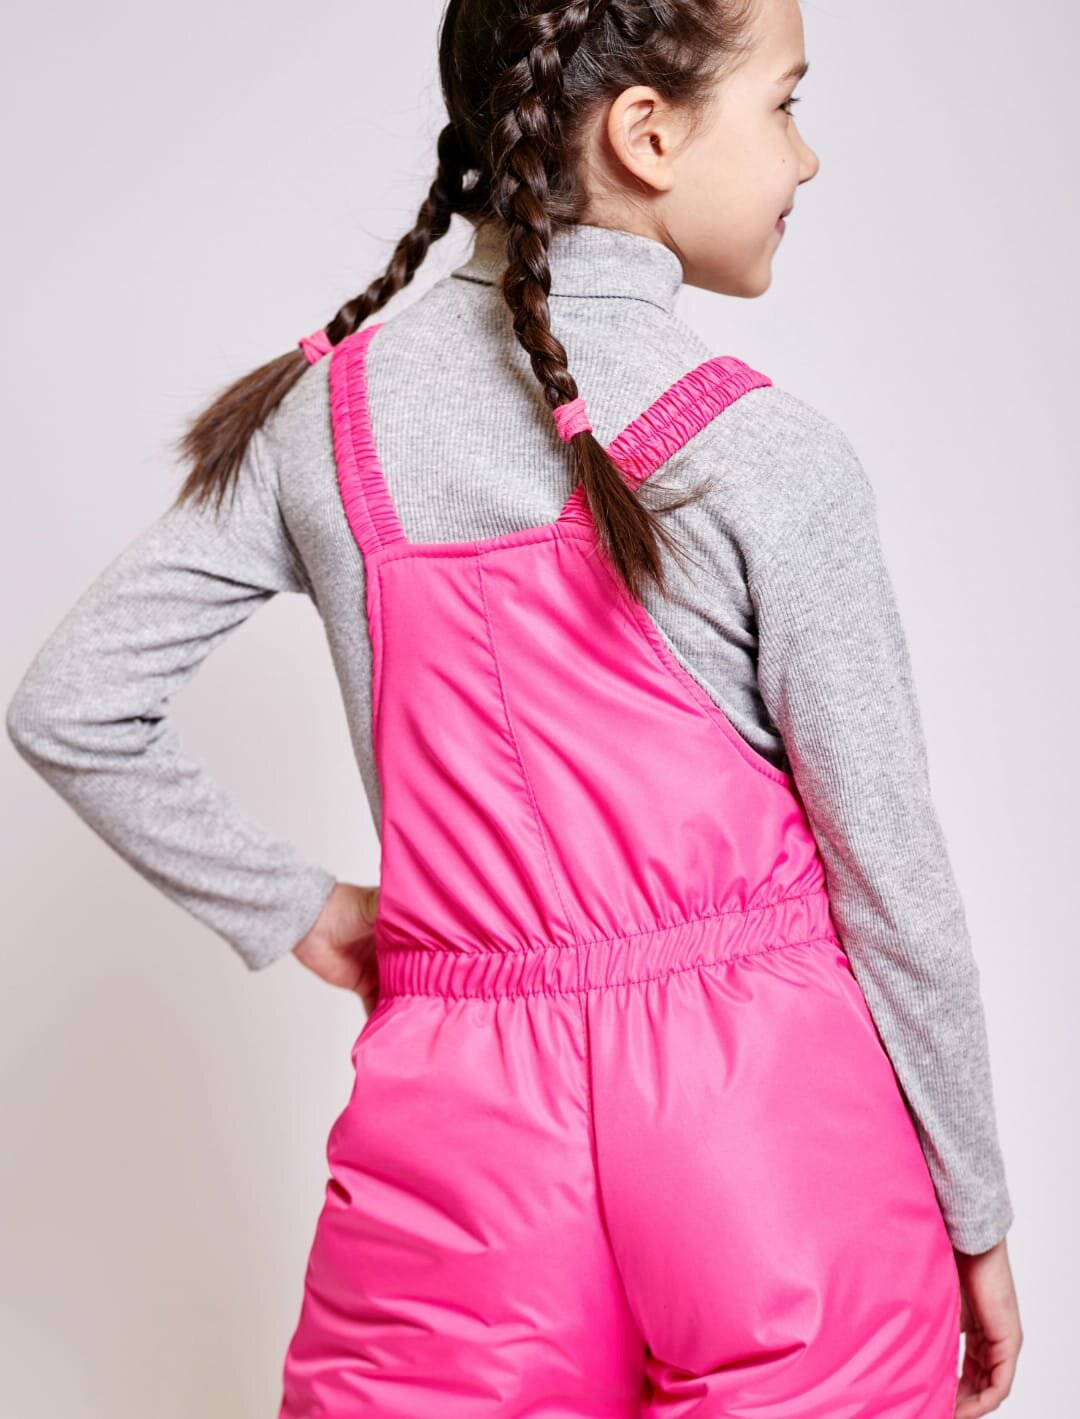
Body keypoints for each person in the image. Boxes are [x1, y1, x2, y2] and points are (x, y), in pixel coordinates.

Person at [5, 0, 1023, 1413]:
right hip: (770, 1143)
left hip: (462, 1139)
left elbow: (72, 702)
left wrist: (306, 909)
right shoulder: (769, 455)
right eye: (787, 103)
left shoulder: (325, 423)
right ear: (647, 135)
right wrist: (975, 1213)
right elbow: (892, 883)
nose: (805, 157)